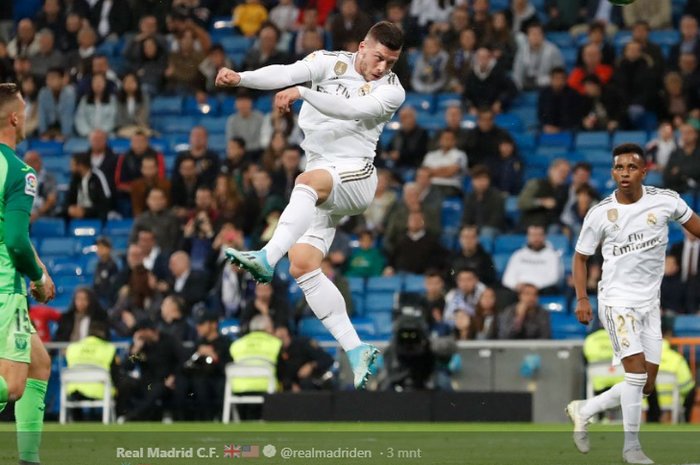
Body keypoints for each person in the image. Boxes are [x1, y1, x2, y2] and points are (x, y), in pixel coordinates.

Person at [215, 21, 405, 389]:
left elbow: (347, 112)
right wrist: (241, 77)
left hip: (355, 176)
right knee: (303, 267)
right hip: (323, 177)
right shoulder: (327, 61)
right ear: (363, 45)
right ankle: (355, 349)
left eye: (391, 62)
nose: (383, 68)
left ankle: (266, 257)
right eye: (379, 57)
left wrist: (302, 92)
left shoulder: (391, 92)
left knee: (304, 182)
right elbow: (284, 72)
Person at [567, 143, 700, 464]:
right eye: (619, 168)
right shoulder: (600, 213)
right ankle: (632, 448)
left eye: (631, 168)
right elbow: (580, 257)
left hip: (649, 305)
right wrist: (582, 297)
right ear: (613, 172)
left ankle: (585, 409)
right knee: (637, 376)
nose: (624, 173)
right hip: (616, 302)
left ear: (644, 171)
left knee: (646, 385)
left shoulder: (666, 201)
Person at [0, 83, 56, 465]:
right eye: (25, 111)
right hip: (5, 290)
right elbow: (16, 241)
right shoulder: (19, 171)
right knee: (14, 386)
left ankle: (29, 460)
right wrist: (37, 277)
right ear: (14, 118)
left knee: (39, 365)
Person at [186, 306, 231, 421]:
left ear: (213, 324)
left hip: (220, 379)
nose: (198, 327)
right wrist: (197, 355)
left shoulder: (225, 343)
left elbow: (227, 368)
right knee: (196, 383)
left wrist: (214, 356)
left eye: (202, 324)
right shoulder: (199, 343)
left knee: (220, 385)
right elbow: (188, 367)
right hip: (202, 379)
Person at [275, 324, 334, 391]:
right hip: (293, 392)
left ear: (285, 332)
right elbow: (281, 374)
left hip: (315, 387)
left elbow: (328, 359)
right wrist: (291, 385)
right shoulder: (278, 353)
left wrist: (311, 365)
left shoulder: (304, 344)